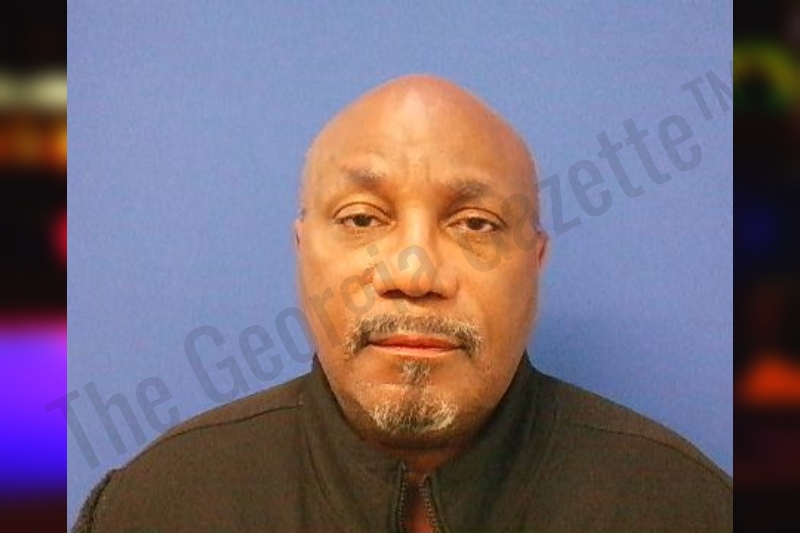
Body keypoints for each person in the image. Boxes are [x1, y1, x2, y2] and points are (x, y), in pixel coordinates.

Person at [74, 75, 732, 533]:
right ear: (302, 252)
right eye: (362, 219)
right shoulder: (158, 505)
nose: (414, 274)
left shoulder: (681, 506)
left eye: (475, 224)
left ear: (535, 264)